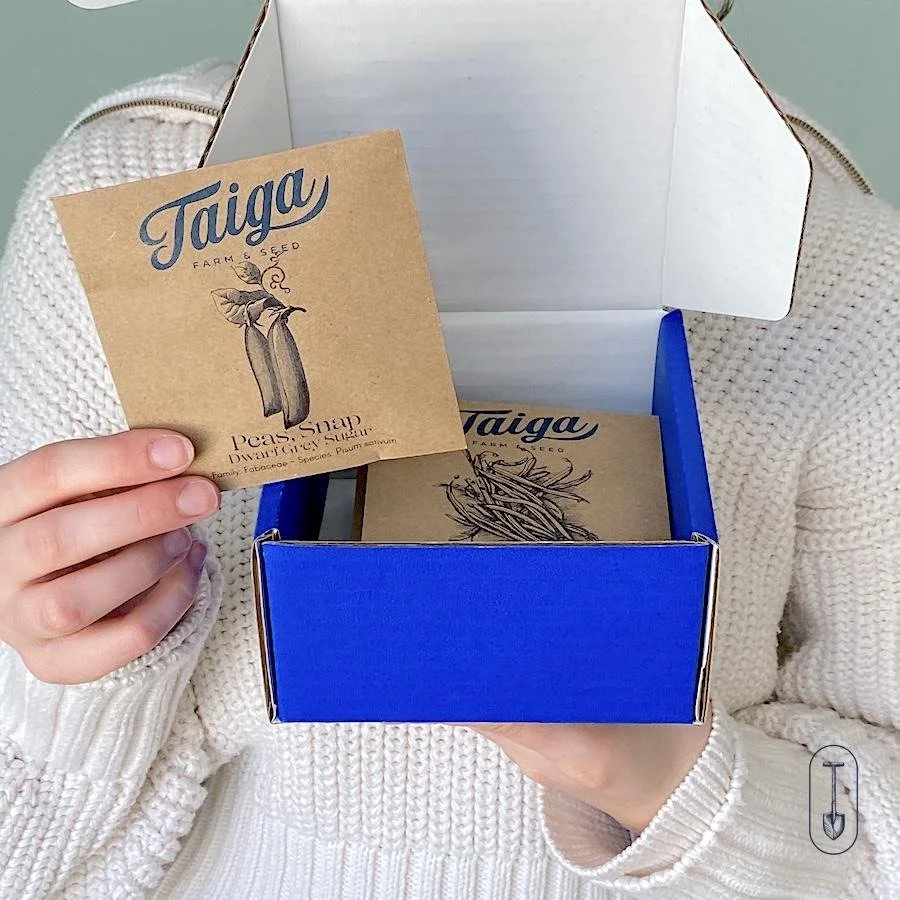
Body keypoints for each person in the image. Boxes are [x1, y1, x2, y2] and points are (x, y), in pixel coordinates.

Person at [0, 57, 898, 900]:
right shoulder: (133, 191)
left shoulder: (818, 242)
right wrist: (71, 692)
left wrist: (675, 789)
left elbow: (874, 821)